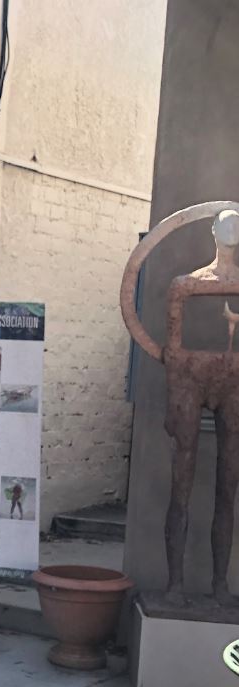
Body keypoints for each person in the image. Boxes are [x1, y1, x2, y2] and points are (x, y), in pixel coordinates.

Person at [122, 204, 239, 604]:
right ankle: (175, 584)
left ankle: (220, 586)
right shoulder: (185, 284)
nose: (232, 230)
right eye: (225, 224)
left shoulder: (188, 286)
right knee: (181, 485)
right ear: (212, 232)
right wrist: (180, 382)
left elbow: (172, 352)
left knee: (228, 486)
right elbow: (173, 352)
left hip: (233, 386)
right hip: (191, 382)